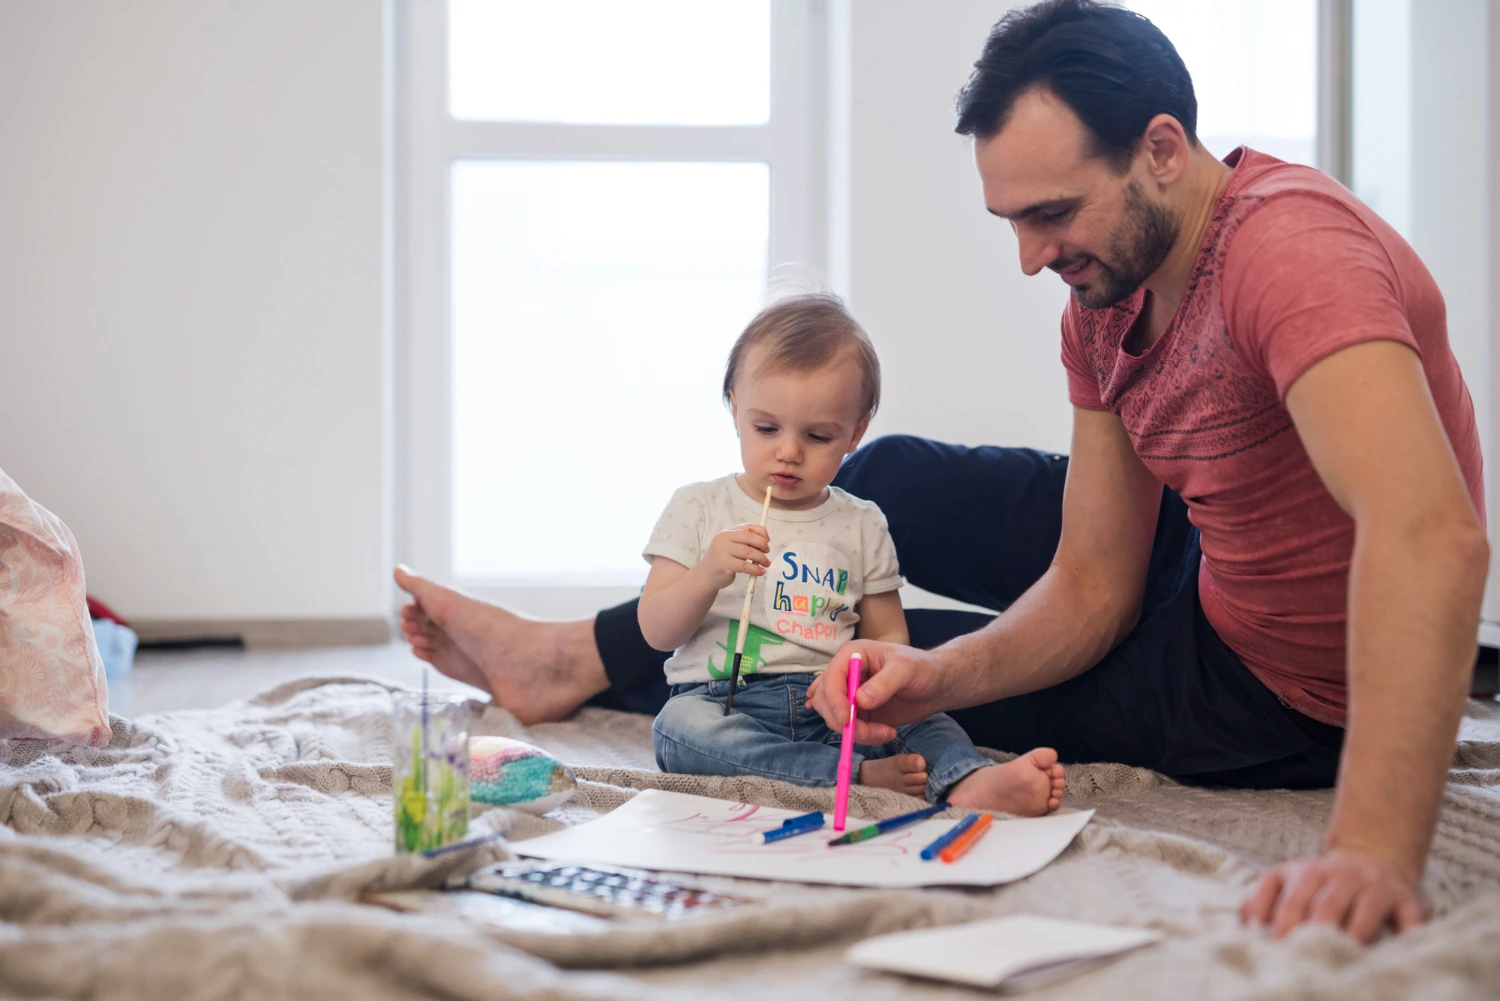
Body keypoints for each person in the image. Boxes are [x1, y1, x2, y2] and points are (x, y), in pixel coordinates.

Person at [394, 0, 1488, 945]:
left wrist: (1374, 852)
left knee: (838, 661)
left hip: (1272, 683)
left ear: (1162, 147)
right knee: (882, 489)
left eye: (1052, 213)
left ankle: (570, 662)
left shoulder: (1289, 256)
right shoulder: (1105, 296)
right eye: (1012, 218)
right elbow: (1097, 581)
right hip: (1201, 552)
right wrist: (945, 674)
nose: (1030, 257)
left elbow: (1428, 531)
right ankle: (582, 652)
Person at [640, 294, 1065, 813]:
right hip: (725, 699)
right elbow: (658, 631)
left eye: (818, 436)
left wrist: (860, 668)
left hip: (834, 702)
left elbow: (892, 638)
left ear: (855, 434)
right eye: (766, 428)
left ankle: (967, 779)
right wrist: (707, 573)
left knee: (920, 711)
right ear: (733, 405)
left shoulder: (862, 522)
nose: (789, 451)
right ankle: (854, 775)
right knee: (678, 730)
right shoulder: (698, 506)